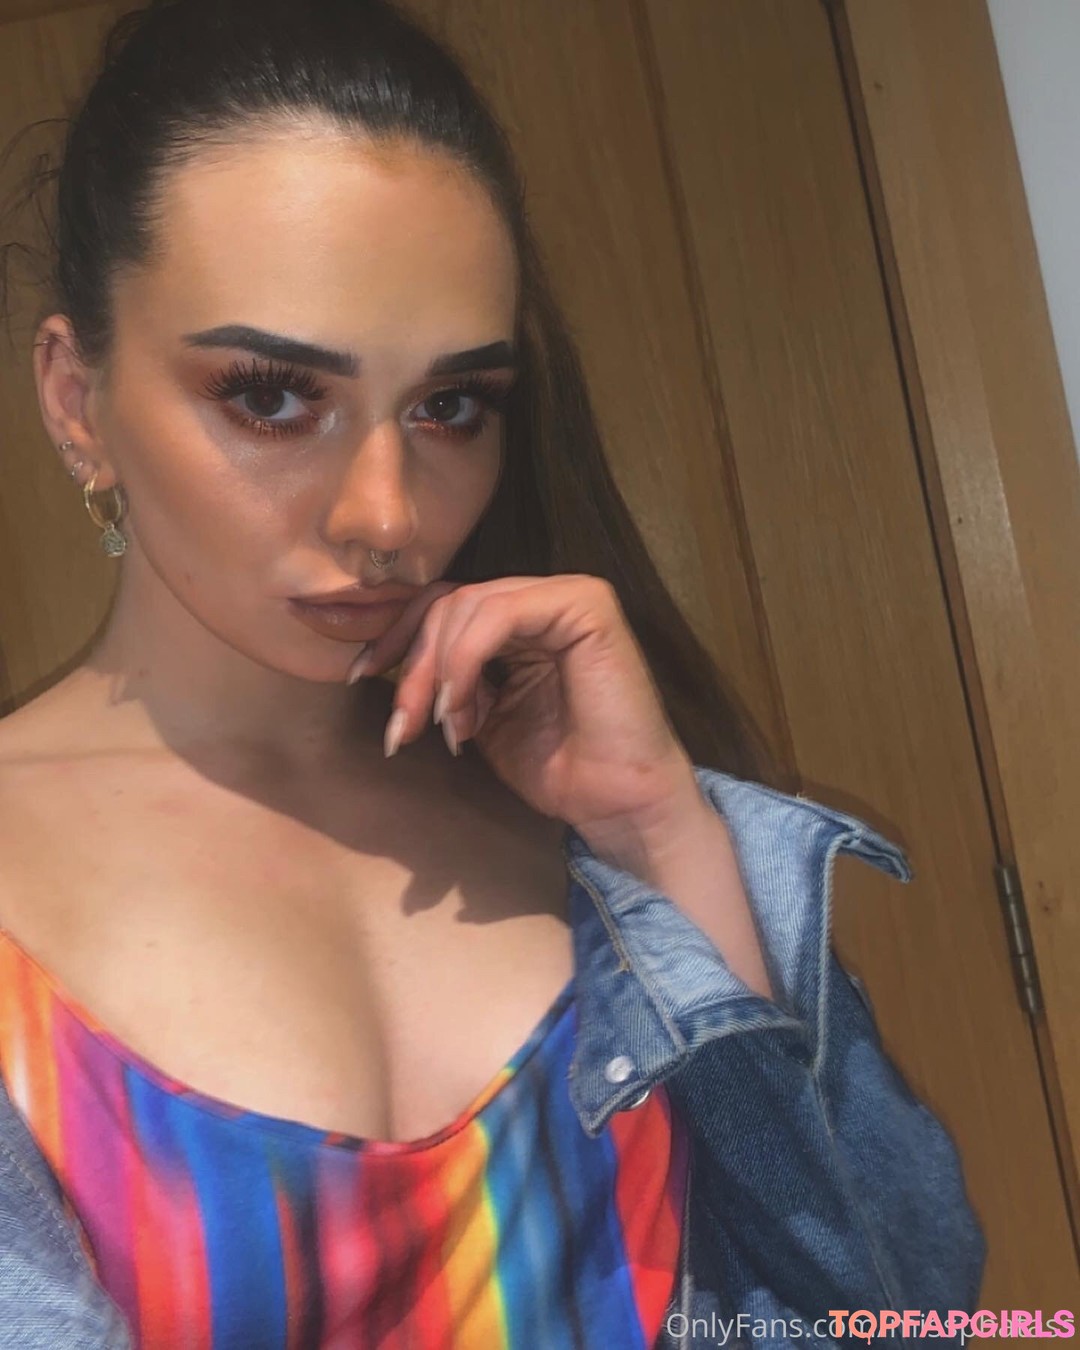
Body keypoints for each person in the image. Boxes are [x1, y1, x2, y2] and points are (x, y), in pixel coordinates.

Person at [0, 0, 986, 1346]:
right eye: (272, 395)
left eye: (450, 406)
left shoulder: (589, 823)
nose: (388, 513)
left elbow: (906, 1316)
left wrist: (662, 837)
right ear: (76, 398)